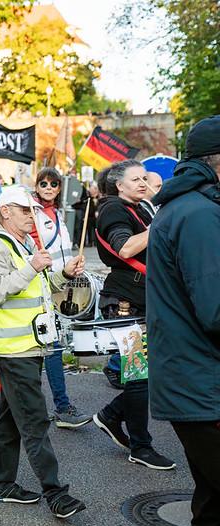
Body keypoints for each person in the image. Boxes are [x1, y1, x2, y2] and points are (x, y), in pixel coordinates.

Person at [0, 185, 86, 519]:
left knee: (11, 418)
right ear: (5, 211)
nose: (32, 216)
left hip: (25, 346)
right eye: (26, 210)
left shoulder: (20, 243)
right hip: (13, 349)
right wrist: (34, 267)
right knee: (35, 421)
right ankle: (56, 494)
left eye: (33, 211)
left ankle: (0, 485)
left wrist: (61, 274)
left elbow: (32, 286)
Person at [147, 116, 220, 526]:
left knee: (211, 504)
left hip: (195, 380)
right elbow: (216, 310)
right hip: (204, 384)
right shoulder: (198, 215)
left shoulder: (192, 207)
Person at [92, 159, 175, 470]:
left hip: (144, 298)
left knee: (149, 373)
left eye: (145, 178)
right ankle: (140, 446)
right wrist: (158, 227)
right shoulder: (113, 209)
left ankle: (111, 416)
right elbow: (125, 248)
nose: (143, 183)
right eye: (136, 179)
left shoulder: (140, 208)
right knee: (139, 376)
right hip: (126, 303)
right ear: (119, 185)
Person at [28, 168, 91, 428]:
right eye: (43, 183)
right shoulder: (30, 211)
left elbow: (62, 251)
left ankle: (48, 407)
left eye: (54, 184)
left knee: (50, 348)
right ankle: (56, 407)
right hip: (39, 286)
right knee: (45, 349)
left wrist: (74, 265)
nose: (49, 187)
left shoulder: (59, 214)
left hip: (59, 287)